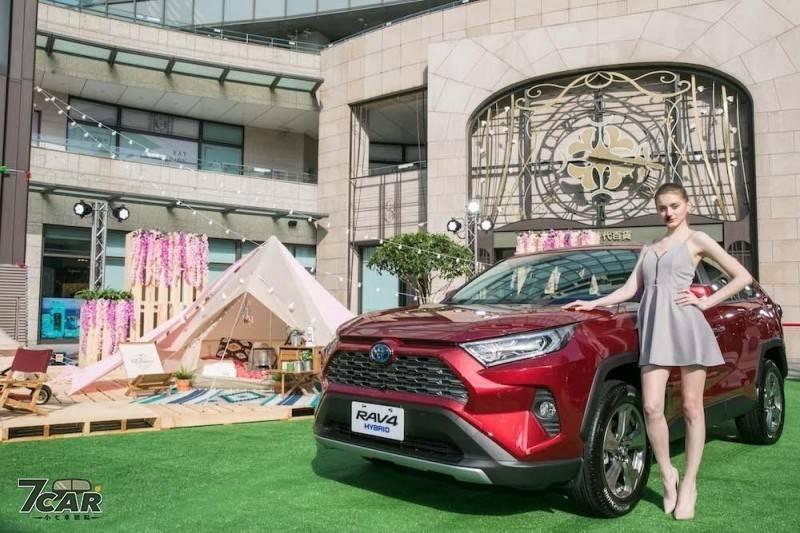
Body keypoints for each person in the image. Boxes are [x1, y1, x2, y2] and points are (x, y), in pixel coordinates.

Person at [562, 182, 753, 520]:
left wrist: (706, 301)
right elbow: (629, 289)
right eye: (663, 207)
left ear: (687, 205)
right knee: (651, 407)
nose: (668, 212)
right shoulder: (650, 247)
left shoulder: (698, 240)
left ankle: (689, 484)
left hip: (688, 327)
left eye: (674, 206)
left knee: (692, 408)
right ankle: (667, 474)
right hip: (655, 332)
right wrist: (593, 302)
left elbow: (742, 276)